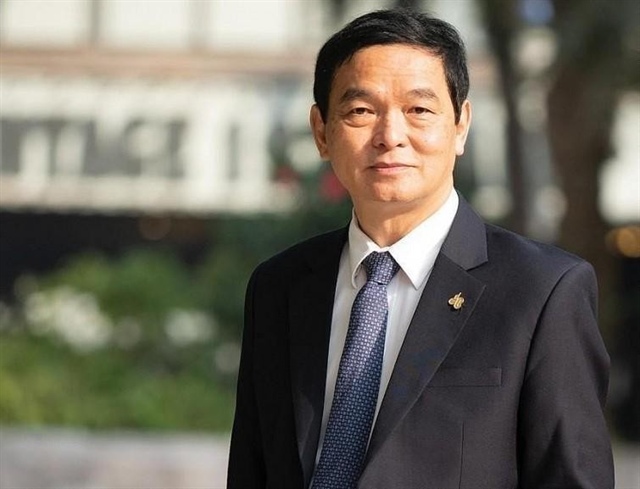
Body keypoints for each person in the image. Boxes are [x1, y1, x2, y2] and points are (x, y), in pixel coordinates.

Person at [227, 8, 614, 489]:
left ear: (461, 125)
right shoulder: (279, 288)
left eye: (419, 110)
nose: (391, 137)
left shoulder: (542, 292)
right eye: (361, 111)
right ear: (322, 131)